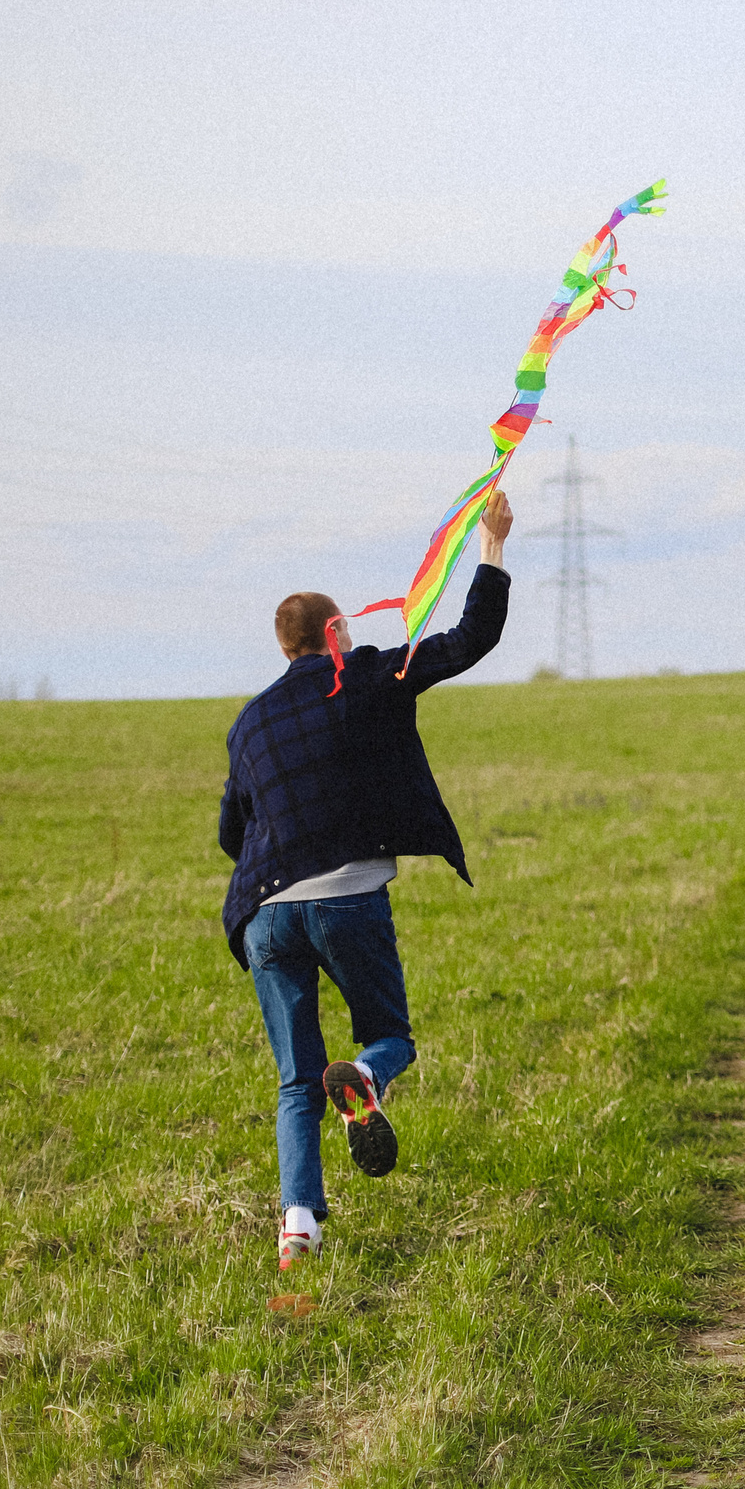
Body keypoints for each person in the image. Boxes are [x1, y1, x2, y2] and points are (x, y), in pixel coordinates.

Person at [218, 490, 515, 1272]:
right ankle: (368, 1076)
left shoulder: (246, 724)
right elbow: (470, 637)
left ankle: (299, 1230)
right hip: (346, 896)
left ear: (284, 648)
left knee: (294, 1080)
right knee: (390, 1038)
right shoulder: (366, 676)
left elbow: (228, 831)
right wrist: (492, 546)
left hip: (263, 915)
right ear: (334, 632)